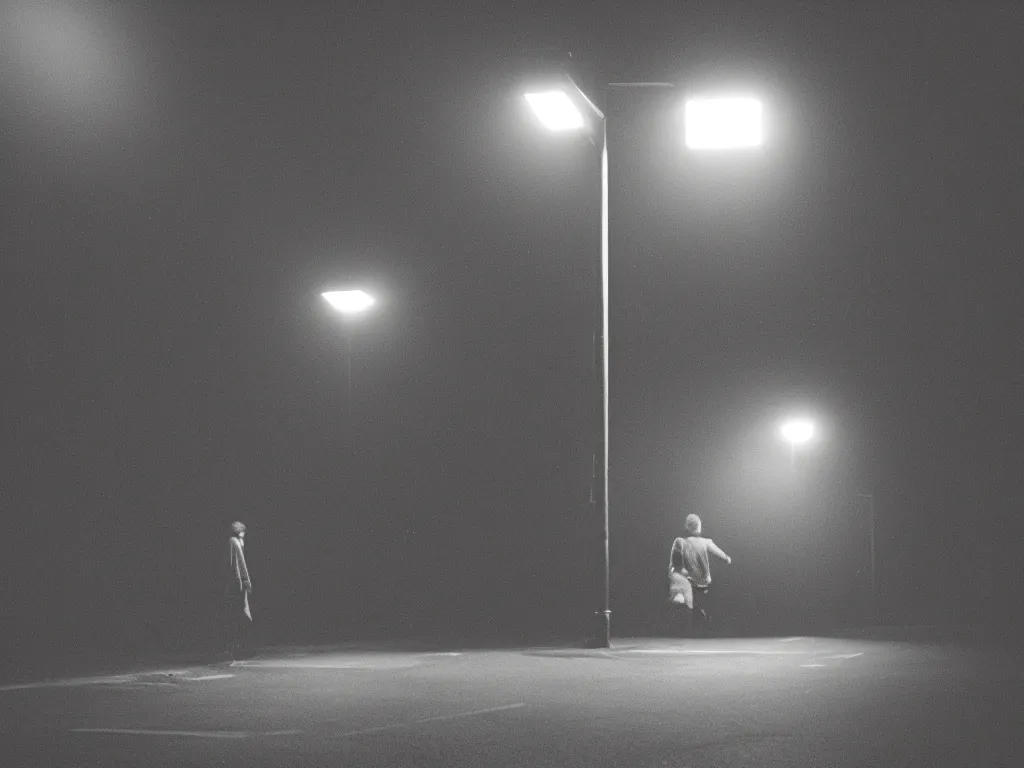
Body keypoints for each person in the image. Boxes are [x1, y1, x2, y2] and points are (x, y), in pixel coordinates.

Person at [669, 514, 731, 635]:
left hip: (690, 581)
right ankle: (698, 614)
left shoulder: (682, 542)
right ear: (699, 527)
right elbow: (721, 555)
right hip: (704, 582)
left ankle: (681, 597)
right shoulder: (706, 542)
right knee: (699, 603)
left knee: (677, 573)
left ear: (687, 527)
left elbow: (677, 562)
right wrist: (727, 558)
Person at [223, 521, 252, 659]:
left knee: (238, 615)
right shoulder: (233, 542)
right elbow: (235, 564)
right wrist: (242, 582)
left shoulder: (236, 542)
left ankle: (237, 647)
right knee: (238, 615)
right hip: (236, 585)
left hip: (237, 584)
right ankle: (236, 648)